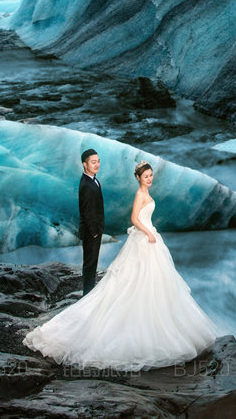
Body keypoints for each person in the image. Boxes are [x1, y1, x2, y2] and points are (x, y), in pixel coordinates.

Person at [23, 160, 220, 371]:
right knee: (135, 281)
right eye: (146, 177)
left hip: (149, 238)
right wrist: (148, 233)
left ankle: (153, 322)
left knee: (154, 281)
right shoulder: (139, 195)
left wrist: (150, 233)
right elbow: (134, 218)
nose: (150, 179)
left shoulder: (146, 193)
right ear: (138, 178)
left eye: (151, 175)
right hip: (144, 239)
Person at [78, 149, 105, 296]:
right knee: (89, 265)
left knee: (92, 264)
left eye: (98, 161)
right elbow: (87, 211)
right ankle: (87, 296)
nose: (97, 165)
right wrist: (94, 231)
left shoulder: (93, 180)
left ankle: (89, 294)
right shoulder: (86, 185)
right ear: (85, 164)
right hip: (91, 232)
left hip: (95, 230)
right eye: (93, 162)